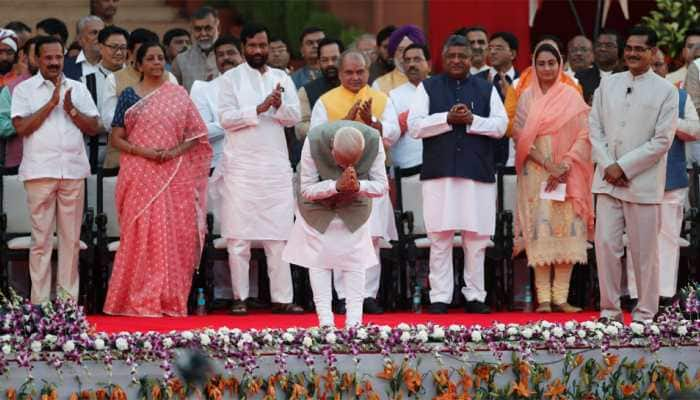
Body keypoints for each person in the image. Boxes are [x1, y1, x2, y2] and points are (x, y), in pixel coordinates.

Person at [103, 42, 212, 316]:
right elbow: (116, 138)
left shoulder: (178, 94)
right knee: (141, 235)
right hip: (139, 172)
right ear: (138, 64)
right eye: (150, 58)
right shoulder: (129, 96)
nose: (156, 62)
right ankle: (138, 299)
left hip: (173, 174)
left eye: (160, 58)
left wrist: (172, 152)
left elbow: (196, 136)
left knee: (173, 235)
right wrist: (146, 152)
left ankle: (168, 298)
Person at [408, 35, 508, 314]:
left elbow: (501, 126)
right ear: (442, 57)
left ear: (471, 59)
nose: (456, 61)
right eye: (451, 56)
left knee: (475, 239)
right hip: (440, 173)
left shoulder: (486, 89)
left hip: (477, 173)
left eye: (461, 56)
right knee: (439, 236)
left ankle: (475, 295)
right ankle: (440, 296)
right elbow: (414, 126)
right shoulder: (428, 87)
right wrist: (446, 119)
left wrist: (472, 121)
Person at [590, 26, 678, 323]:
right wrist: (608, 166)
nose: (631, 53)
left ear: (653, 52)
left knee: (644, 254)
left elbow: (662, 141)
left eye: (639, 49)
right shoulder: (608, 85)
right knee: (605, 247)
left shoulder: (667, 92)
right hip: (607, 182)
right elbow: (595, 130)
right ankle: (609, 311)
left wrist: (623, 167)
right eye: (628, 48)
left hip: (642, 183)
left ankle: (645, 314)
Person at [216, 23, 303, 315]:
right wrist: (259, 108)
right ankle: (240, 296)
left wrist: (278, 107)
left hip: (275, 166)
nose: (258, 51)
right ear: (243, 48)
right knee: (238, 237)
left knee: (278, 236)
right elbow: (225, 119)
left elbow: (294, 117)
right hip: (241, 167)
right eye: (253, 46)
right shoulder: (230, 79)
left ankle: (282, 298)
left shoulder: (282, 77)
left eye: (263, 46)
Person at [11, 35, 101, 304]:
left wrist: (71, 110)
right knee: (40, 241)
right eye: (48, 57)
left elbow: (95, 128)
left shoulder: (77, 88)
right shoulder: (24, 90)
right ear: (37, 59)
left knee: (71, 240)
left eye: (58, 57)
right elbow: (21, 128)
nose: (53, 62)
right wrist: (50, 104)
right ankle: (39, 303)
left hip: (72, 171)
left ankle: (66, 304)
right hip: (40, 173)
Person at [310, 49, 399, 314]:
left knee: (370, 238)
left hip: (371, 177)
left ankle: (367, 295)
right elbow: (315, 139)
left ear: (368, 71)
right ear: (339, 74)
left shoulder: (381, 99)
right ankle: (342, 295)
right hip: (339, 178)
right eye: (349, 72)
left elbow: (392, 134)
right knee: (341, 236)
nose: (355, 77)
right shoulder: (326, 102)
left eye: (360, 71)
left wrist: (373, 122)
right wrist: (344, 123)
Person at [511, 43, 594, 313]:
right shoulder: (526, 98)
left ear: (560, 65)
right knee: (541, 233)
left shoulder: (572, 96)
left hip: (568, 173)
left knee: (565, 232)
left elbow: (584, 135)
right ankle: (543, 299)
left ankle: (561, 298)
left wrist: (565, 164)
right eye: (541, 63)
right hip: (536, 173)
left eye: (551, 63)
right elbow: (521, 138)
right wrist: (548, 164)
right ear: (534, 66)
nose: (547, 68)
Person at [283, 122, 388, 327]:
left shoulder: (374, 140)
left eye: (351, 163)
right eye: (340, 163)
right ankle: (325, 324)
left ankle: (355, 324)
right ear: (332, 149)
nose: (345, 168)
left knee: (355, 260)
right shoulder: (313, 140)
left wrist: (358, 185)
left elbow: (381, 186)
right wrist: (335, 186)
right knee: (319, 260)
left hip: (355, 203)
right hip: (316, 206)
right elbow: (307, 188)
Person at [625, 49, 700, 307]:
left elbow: (695, 129)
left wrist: (669, 120)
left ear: (666, 68)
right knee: (637, 240)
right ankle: (638, 294)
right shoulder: (628, 97)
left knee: (668, 238)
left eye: (659, 65)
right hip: (636, 180)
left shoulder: (680, 97)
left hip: (671, 181)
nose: (656, 70)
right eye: (651, 65)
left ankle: (665, 295)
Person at [102, 28, 178, 168]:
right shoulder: (114, 79)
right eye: (142, 55)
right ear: (129, 53)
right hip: (122, 162)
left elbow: (178, 119)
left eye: (156, 56)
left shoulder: (169, 78)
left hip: (161, 158)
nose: (150, 61)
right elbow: (109, 122)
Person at [190, 36, 242, 168]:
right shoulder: (203, 89)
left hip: (254, 164)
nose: (226, 58)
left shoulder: (255, 87)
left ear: (242, 56)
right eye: (220, 55)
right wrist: (243, 119)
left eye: (231, 53)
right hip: (217, 165)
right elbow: (200, 132)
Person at [82, 25, 129, 164]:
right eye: (113, 47)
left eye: (123, 48)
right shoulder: (85, 82)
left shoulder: (138, 79)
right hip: (96, 156)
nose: (119, 52)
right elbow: (87, 122)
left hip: (132, 157)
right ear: (100, 47)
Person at [477, 31, 520, 166]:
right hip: (485, 154)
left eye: (499, 48)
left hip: (515, 152)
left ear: (512, 54)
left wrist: (512, 99)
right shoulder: (476, 81)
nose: (493, 52)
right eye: (490, 48)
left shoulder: (524, 80)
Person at [389, 43, 430, 170]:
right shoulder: (393, 96)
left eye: (417, 59)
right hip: (406, 167)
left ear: (429, 64)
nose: (411, 64)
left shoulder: (441, 89)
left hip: (439, 165)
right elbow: (390, 134)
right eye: (407, 60)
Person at [295, 37, 344, 141]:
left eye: (335, 59)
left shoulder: (356, 86)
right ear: (318, 62)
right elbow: (300, 128)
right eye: (325, 60)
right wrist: (329, 131)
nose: (330, 63)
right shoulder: (306, 91)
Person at [172, 6, 220, 92]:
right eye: (198, 29)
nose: (203, 33)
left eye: (208, 28)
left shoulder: (229, 55)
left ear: (218, 28)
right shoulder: (181, 60)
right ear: (191, 30)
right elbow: (174, 93)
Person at [372, 25, 426, 95]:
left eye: (410, 48)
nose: (405, 55)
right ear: (393, 53)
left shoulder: (432, 83)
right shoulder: (379, 85)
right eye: (400, 50)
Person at [576, 28, 624, 104]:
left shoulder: (627, 76)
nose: (602, 48)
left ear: (620, 49)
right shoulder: (580, 77)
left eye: (609, 45)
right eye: (599, 45)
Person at [63, 16, 104, 81]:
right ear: (80, 39)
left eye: (102, 33)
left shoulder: (115, 65)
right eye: (94, 32)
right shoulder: (64, 66)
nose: (100, 37)